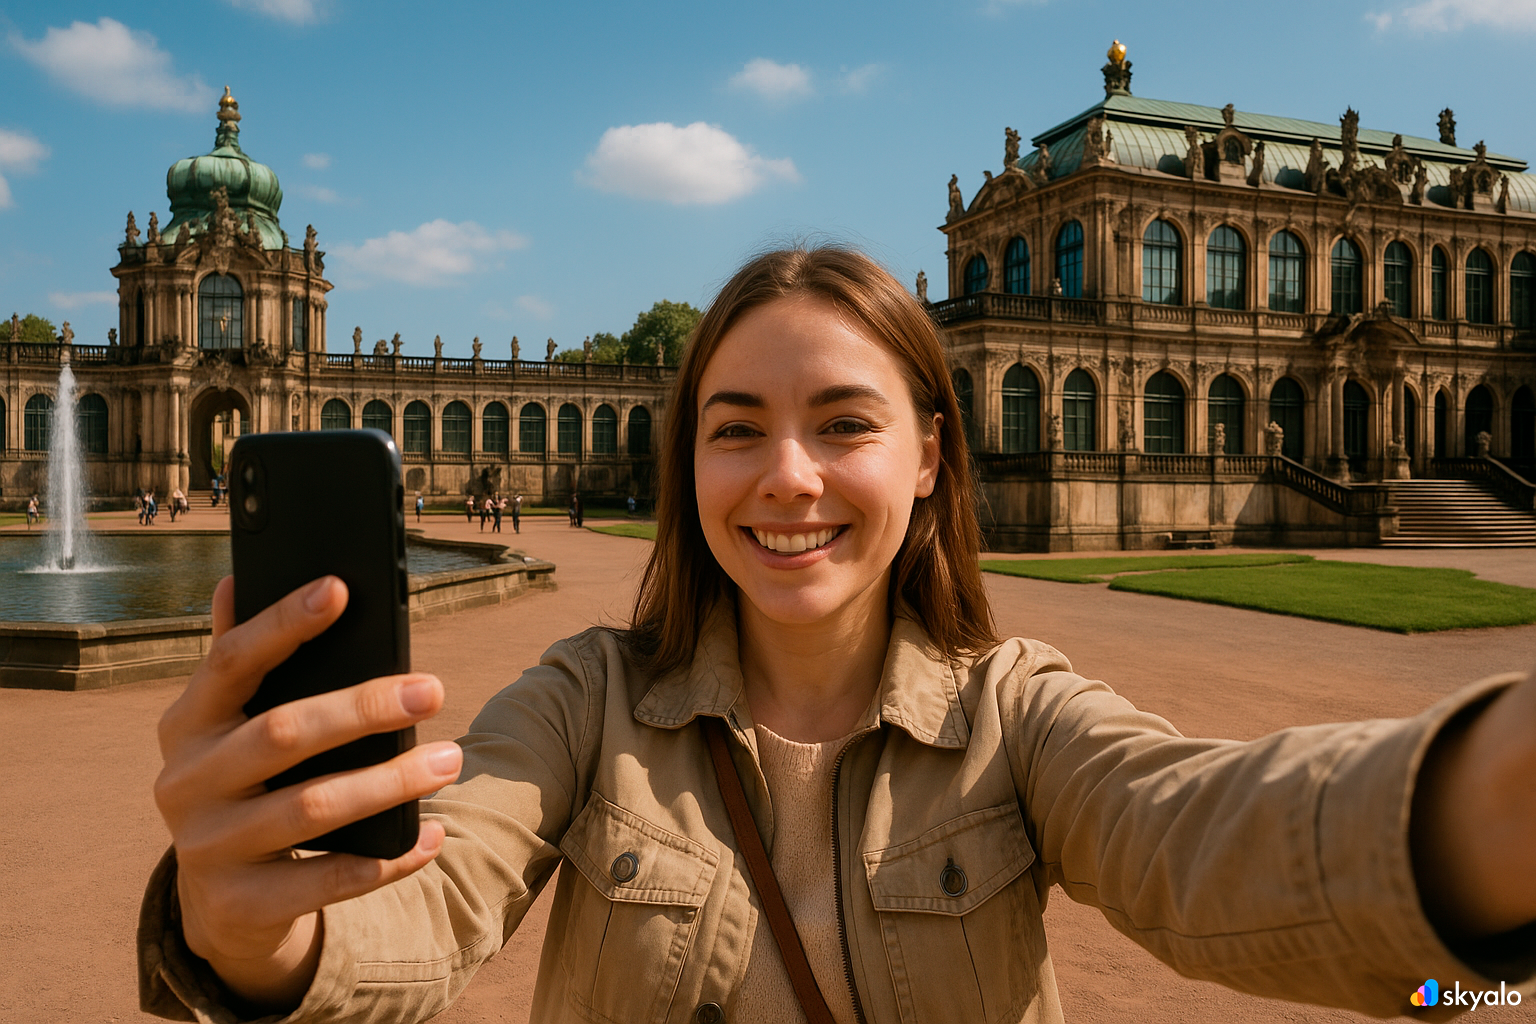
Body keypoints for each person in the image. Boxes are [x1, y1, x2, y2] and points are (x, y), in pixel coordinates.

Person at [141, 246, 1536, 1024]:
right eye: (733, 429)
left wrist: (1500, 789)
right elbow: (434, 906)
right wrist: (254, 940)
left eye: (846, 424)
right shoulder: (587, 704)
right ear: (686, 465)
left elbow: (1202, 836)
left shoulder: (1019, 716)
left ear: (931, 458)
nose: (788, 478)